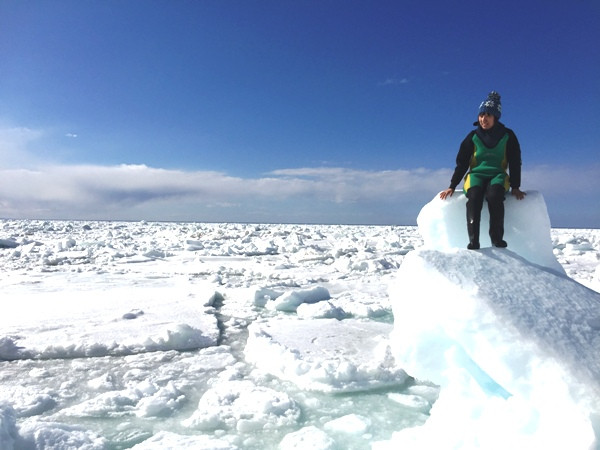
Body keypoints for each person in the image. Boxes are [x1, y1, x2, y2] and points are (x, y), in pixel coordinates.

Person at [439, 91, 526, 249]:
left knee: (495, 196)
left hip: (498, 175)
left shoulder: (508, 136)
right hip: (476, 175)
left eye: (488, 115)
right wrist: (452, 185)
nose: (483, 119)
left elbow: (515, 161)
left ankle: (497, 239)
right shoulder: (472, 136)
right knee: (474, 197)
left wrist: (515, 186)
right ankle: (474, 241)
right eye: (481, 115)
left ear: (495, 117)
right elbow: (462, 163)